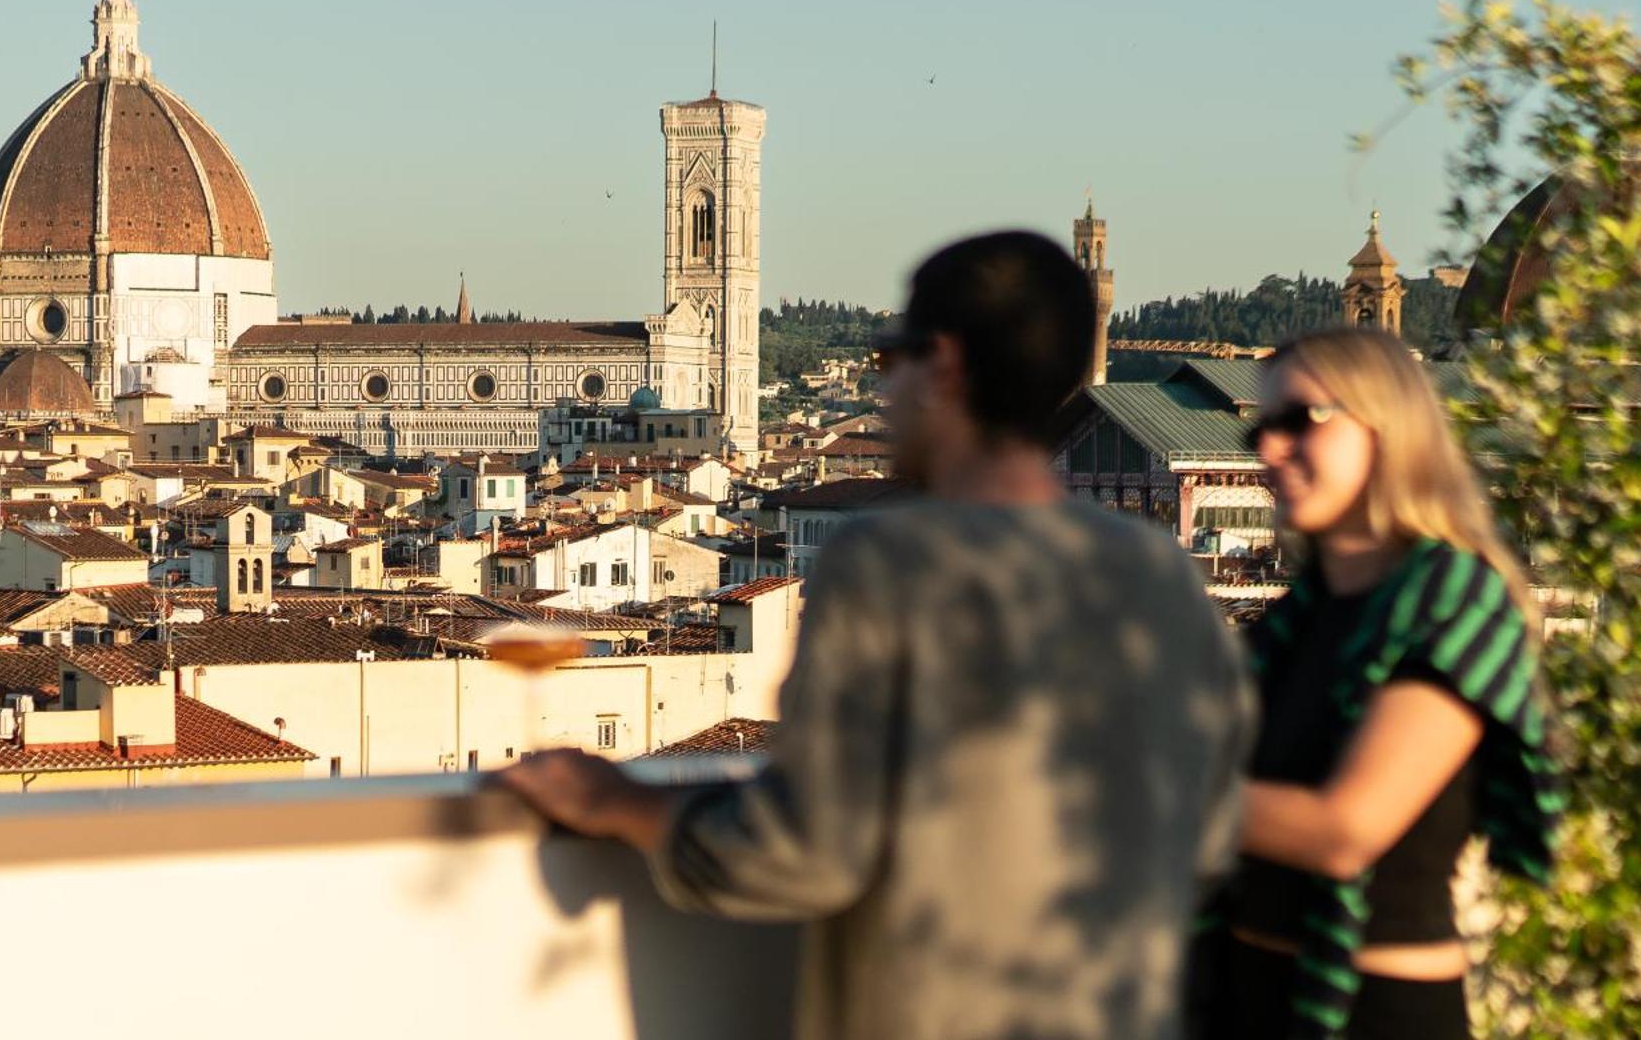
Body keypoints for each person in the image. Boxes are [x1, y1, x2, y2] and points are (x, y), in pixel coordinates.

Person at [499, 230, 1253, 1040]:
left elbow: (808, 847)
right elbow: (1210, 835)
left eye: (892, 366)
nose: (886, 395)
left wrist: (620, 805)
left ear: (947, 366)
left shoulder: (889, 565)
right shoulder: (1161, 575)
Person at [1204, 328, 1561, 1039]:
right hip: (1245, 1002)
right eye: (1259, 433)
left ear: (1387, 426)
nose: (1269, 451)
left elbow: (1347, 829)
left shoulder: (1455, 603)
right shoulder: (1291, 625)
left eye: (1298, 421)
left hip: (1382, 1014)